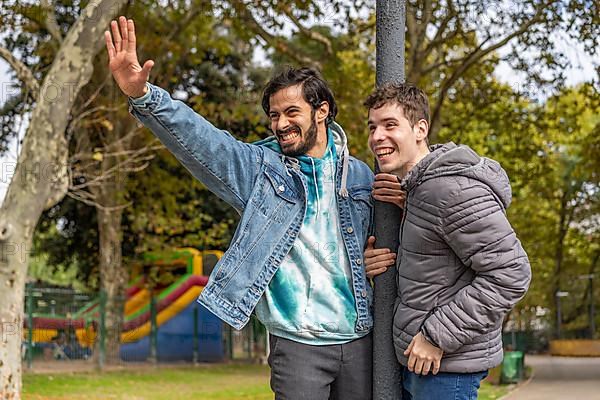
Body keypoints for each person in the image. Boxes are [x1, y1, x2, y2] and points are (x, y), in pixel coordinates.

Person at [105, 16, 400, 400]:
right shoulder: (259, 170)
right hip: (297, 345)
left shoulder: (360, 175)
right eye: (274, 115)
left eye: (292, 112)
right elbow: (202, 140)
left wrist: (372, 256)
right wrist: (144, 97)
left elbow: (384, 240)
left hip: (360, 335)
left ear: (322, 110)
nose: (280, 124)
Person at [363, 82, 531, 400]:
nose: (376, 137)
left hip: (446, 368)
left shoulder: (450, 190)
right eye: (372, 127)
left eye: (390, 125)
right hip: (424, 366)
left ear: (420, 129)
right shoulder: (421, 192)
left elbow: (511, 273)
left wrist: (437, 336)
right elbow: (437, 269)